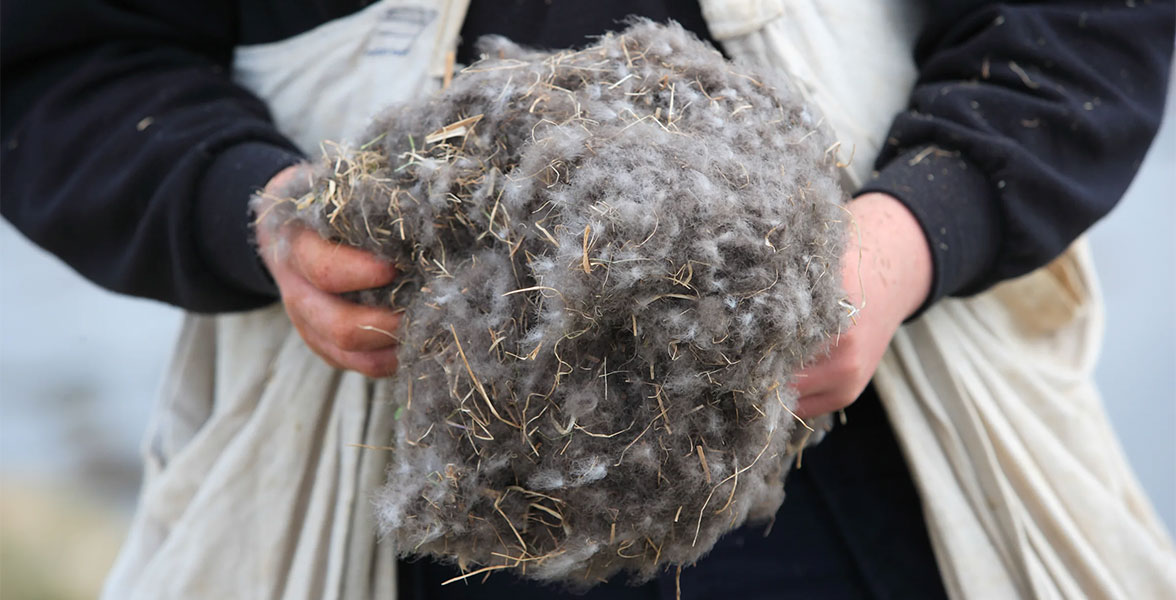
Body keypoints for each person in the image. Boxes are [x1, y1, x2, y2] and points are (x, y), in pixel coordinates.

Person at [3, 1, 1173, 598]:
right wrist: (250, 210)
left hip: (866, 467)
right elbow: (64, 58)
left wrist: (910, 235)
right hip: (381, 468)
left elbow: (1078, 24)